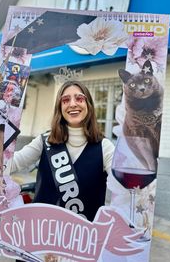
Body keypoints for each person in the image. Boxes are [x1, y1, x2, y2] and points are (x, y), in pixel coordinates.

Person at [11, 80, 115, 261]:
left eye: (79, 98)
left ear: (88, 105)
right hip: (38, 241)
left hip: (80, 246)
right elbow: (11, 163)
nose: (73, 104)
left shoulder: (105, 147)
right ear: (60, 107)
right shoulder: (44, 141)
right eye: (65, 100)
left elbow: (123, 183)